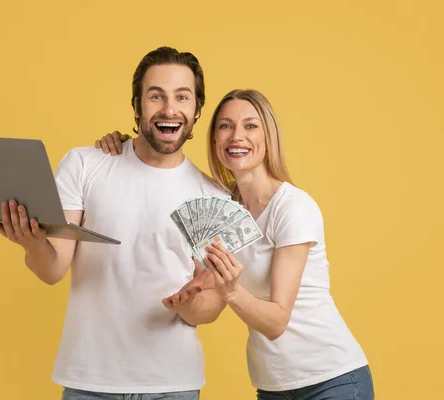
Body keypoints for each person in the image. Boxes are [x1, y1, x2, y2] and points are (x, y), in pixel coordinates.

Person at [95, 89, 374, 399]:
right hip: (273, 387)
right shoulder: (223, 206)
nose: (236, 136)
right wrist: (126, 148)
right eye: (225, 126)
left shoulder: (293, 207)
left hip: (333, 380)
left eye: (250, 126)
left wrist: (231, 290)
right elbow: (210, 281)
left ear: (269, 137)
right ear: (214, 139)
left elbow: (277, 322)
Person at [0, 46, 227, 400]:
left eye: (182, 97)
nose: (169, 108)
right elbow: (52, 270)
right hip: (90, 380)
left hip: (171, 384)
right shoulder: (85, 164)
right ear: (137, 105)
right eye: (155, 96)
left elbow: (212, 304)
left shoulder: (213, 196)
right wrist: (33, 243)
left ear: (196, 109)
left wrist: (191, 305)